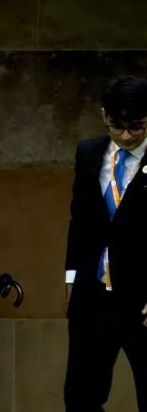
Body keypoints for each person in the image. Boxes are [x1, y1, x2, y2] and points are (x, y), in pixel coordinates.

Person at [63, 75, 147, 412]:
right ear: (104, 116)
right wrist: (71, 279)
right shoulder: (89, 153)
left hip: (142, 301)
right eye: (117, 126)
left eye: (136, 126)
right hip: (93, 295)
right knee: (81, 396)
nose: (126, 135)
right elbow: (79, 222)